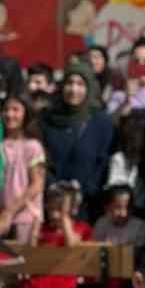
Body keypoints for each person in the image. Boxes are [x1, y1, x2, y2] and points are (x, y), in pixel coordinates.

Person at [40, 57, 114, 212]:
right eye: (69, 83)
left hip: (88, 206)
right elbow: (41, 161)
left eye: (80, 84)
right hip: (51, 205)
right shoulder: (47, 120)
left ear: (89, 88)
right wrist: (53, 187)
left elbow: (103, 162)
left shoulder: (101, 122)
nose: (74, 90)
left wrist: (84, 189)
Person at [0, 92, 45, 244]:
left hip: (24, 217)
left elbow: (37, 184)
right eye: (6, 109)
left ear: (25, 114)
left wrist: (10, 211)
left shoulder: (32, 146)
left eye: (16, 110)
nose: (10, 114)